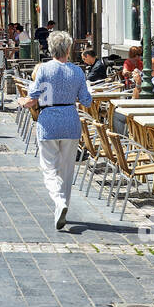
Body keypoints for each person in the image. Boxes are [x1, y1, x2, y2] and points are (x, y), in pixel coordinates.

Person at [18, 30, 93, 231]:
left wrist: (22, 101)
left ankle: (59, 202)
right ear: (68, 49)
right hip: (70, 120)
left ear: (51, 49)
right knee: (67, 169)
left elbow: (32, 97)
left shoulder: (43, 70)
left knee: (49, 168)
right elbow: (86, 101)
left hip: (48, 121)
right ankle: (63, 204)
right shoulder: (77, 71)